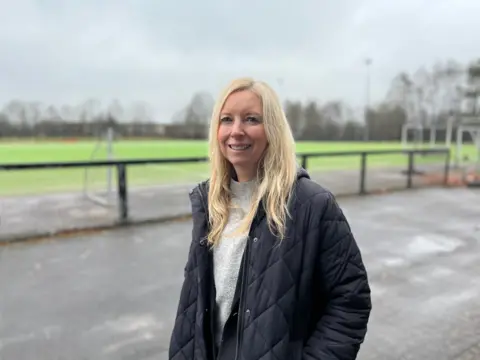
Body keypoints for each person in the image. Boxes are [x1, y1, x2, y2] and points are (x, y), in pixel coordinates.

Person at [168, 77, 372, 360]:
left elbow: (350, 301)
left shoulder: (311, 205)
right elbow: (195, 307)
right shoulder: (210, 204)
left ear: (273, 129)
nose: (236, 131)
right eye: (227, 120)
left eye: (251, 119)